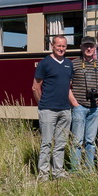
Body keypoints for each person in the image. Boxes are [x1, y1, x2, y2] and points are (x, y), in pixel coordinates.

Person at [31, 35, 73, 180]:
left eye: (64, 46)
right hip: (48, 109)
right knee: (46, 143)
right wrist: (42, 105)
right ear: (52, 46)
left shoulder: (69, 63)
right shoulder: (45, 63)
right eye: (58, 46)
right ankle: (43, 174)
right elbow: (35, 87)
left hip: (65, 109)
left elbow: (68, 87)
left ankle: (58, 172)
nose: (61, 49)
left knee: (61, 144)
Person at [68, 36, 98, 170]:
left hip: (95, 108)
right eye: (86, 46)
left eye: (91, 46)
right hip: (79, 107)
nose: (89, 48)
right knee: (77, 141)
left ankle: (89, 169)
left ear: (95, 48)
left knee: (91, 141)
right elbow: (67, 85)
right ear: (81, 47)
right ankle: (75, 168)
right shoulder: (74, 64)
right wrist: (74, 102)